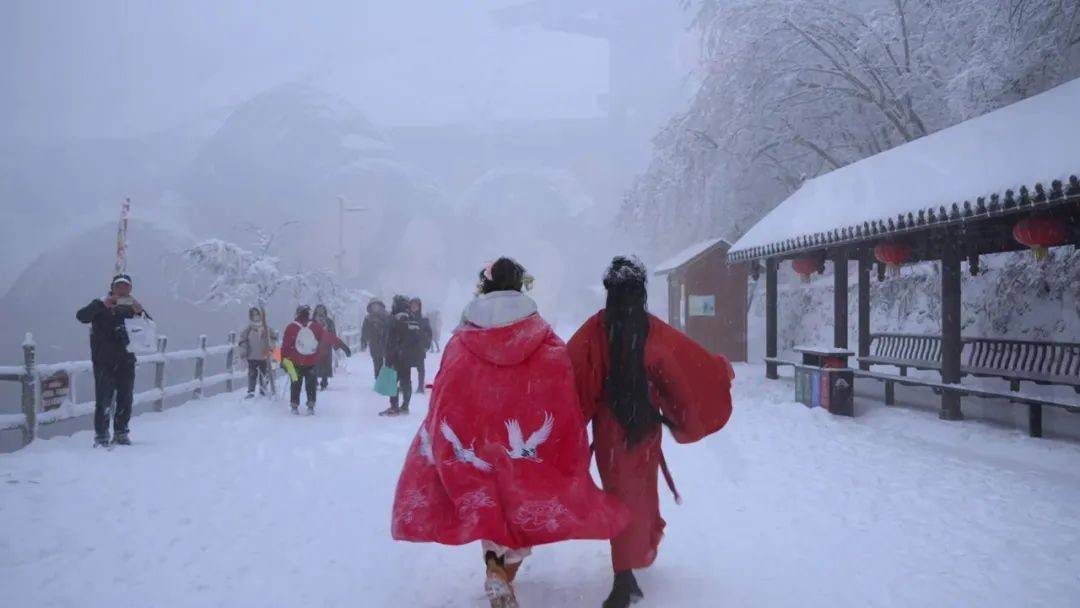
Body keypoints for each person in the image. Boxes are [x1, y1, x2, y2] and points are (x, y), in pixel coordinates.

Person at [391, 258, 628, 608]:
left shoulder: (463, 340)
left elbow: (446, 389)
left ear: (484, 287)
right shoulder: (543, 338)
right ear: (520, 287)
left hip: (478, 439)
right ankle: (503, 572)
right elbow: (560, 385)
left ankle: (494, 566)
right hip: (523, 445)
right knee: (520, 509)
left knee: (489, 506)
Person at [567, 256, 735, 608]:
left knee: (619, 495)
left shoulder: (594, 332)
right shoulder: (652, 329)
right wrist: (716, 373)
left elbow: (572, 378)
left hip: (611, 430)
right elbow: (683, 367)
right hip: (644, 429)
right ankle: (627, 568)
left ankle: (626, 569)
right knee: (640, 494)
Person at [75, 273, 150, 447]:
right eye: (119, 286)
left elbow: (149, 329)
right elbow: (81, 316)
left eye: (125, 286)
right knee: (103, 399)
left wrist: (141, 313)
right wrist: (102, 304)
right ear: (112, 287)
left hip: (126, 360)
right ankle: (101, 436)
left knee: (125, 398)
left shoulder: (134, 307)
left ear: (130, 288)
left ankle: (121, 433)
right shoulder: (100, 304)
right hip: (103, 361)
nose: (122, 289)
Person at [280, 305, 351, 415]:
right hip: (311, 361)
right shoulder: (315, 326)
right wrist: (343, 346)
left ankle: (294, 406)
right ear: (308, 314)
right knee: (311, 384)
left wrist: (283, 360)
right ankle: (310, 406)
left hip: (294, 362)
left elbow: (285, 346)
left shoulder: (291, 327)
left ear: (297, 314)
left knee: (295, 383)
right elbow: (329, 337)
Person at [379, 295, 423, 416]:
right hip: (406, 357)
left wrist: (389, 350)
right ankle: (405, 406)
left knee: (392, 381)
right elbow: (416, 338)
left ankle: (394, 407)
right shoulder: (411, 318)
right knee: (405, 381)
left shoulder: (394, 319)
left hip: (394, 356)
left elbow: (387, 336)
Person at [237, 307, 277, 399]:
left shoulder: (266, 328)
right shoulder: (248, 329)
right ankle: (251, 391)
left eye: (257, 314)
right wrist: (243, 353)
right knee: (252, 375)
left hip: (264, 357)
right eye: (253, 315)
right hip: (252, 356)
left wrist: (271, 349)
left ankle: (263, 391)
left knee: (264, 375)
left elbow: (273, 339)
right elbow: (242, 341)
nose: (255, 316)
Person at [361, 298, 392, 379]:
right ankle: (378, 378)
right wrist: (364, 341)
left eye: (376, 305)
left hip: (386, 342)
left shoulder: (387, 316)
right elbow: (364, 330)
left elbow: (391, 327)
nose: (375, 307)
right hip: (374, 343)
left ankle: (387, 380)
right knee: (377, 362)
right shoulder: (368, 318)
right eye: (373, 306)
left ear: (380, 306)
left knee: (388, 362)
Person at [408, 297, 433, 394]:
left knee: (420, 368)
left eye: (416, 305)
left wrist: (426, 345)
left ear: (419, 307)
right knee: (406, 368)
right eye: (412, 305)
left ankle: (420, 387)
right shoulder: (406, 318)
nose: (414, 307)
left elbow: (429, 333)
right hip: (408, 347)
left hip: (419, 347)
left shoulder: (424, 320)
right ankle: (406, 386)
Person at [312, 304, 338, 391]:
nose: (320, 311)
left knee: (325, 364)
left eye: (322, 309)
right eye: (319, 309)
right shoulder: (312, 321)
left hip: (326, 345)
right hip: (314, 346)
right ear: (316, 311)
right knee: (313, 365)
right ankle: (314, 381)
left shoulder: (329, 322)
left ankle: (324, 381)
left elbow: (333, 333)